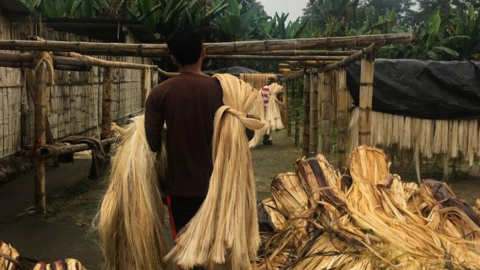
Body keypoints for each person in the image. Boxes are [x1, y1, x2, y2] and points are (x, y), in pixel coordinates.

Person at [261, 77, 276, 145]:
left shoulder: (262, 88)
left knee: (265, 123)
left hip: (263, 108)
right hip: (270, 108)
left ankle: (269, 138)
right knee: (270, 123)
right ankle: (267, 137)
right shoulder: (272, 89)